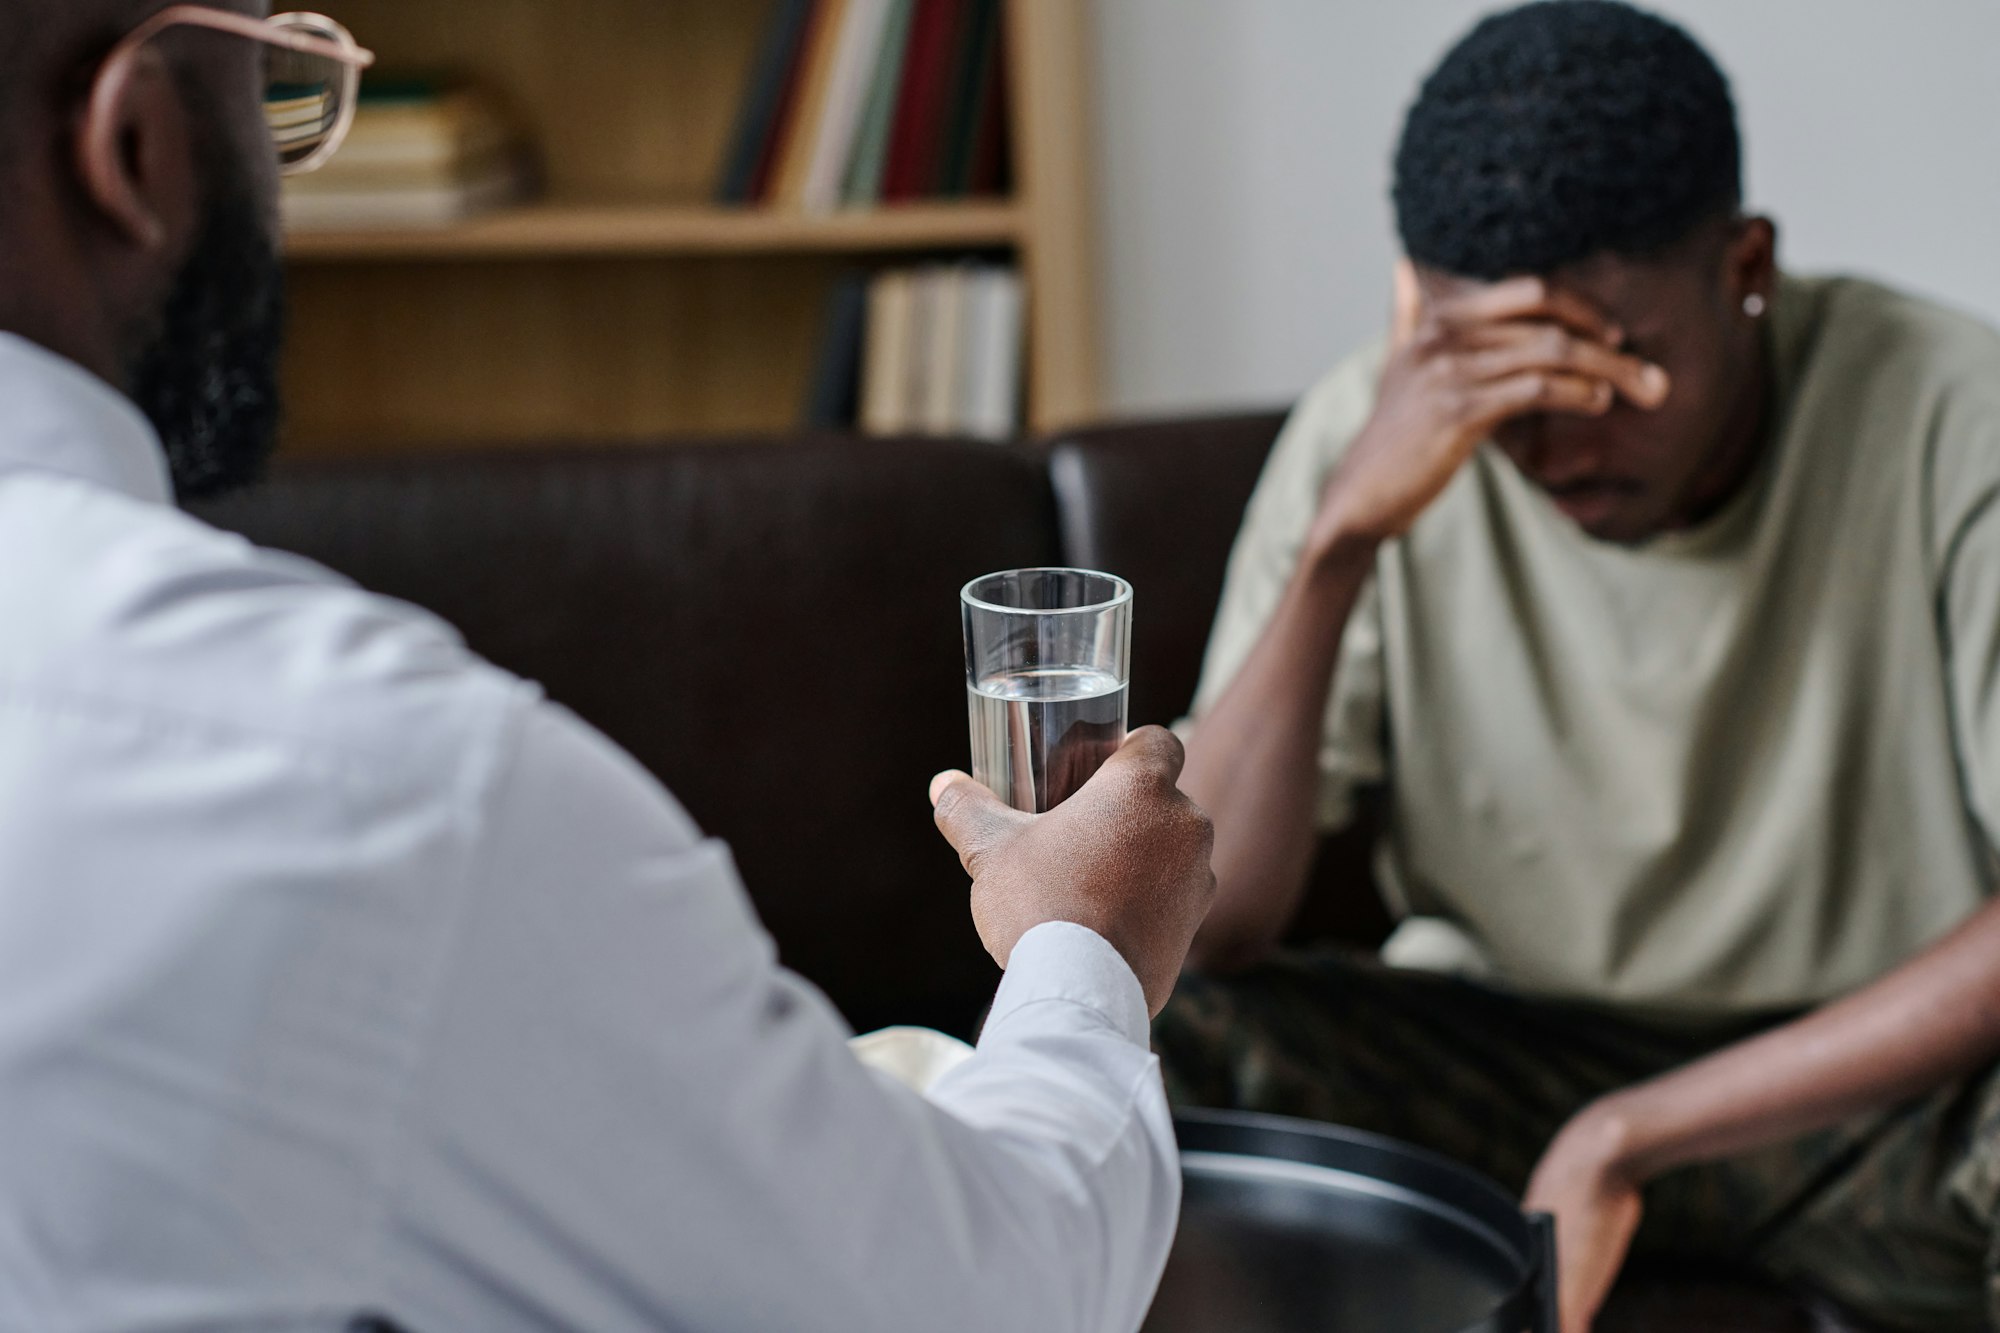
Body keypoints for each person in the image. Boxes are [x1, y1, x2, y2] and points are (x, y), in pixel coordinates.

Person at [0, 4, 1216, 1331]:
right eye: (278, 98)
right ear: (136, 145)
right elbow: (978, 1300)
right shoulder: (385, 790)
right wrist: (1088, 944)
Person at [1158, 2, 2000, 1330]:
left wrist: (1635, 1131)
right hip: (1506, 1055)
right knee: (1141, 1034)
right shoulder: (1367, 444)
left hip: (1878, 1089)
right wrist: (1341, 542)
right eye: (1505, 386)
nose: (1555, 448)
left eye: (1618, 363)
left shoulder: (1958, 415)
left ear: (1748, 268)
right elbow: (1210, 923)